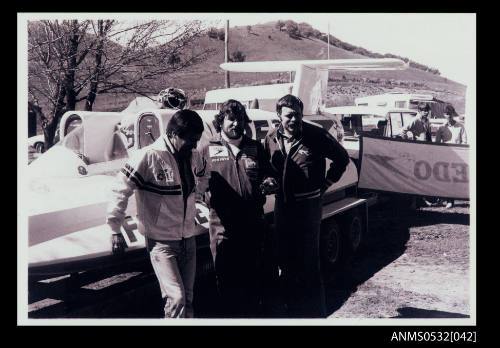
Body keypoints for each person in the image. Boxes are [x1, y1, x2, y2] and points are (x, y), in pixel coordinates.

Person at [105, 109, 206, 318]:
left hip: (188, 238)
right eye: (190, 140)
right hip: (162, 242)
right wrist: (115, 228)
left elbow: (200, 183)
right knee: (175, 298)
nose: (194, 145)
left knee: (187, 297)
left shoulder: (193, 156)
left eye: (197, 140)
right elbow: (119, 189)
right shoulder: (148, 156)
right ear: (173, 134)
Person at [263, 94, 350, 318]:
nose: (294, 120)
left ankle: (315, 315)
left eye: (298, 115)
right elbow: (267, 168)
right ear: (278, 116)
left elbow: (342, 159)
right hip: (283, 206)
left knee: (308, 263)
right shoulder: (271, 137)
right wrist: (268, 180)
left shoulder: (316, 135)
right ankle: (292, 313)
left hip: (308, 207)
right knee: (284, 261)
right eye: (289, 116)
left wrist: (326, 184)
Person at [198, 99, 278, 318]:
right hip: (222, 224)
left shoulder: (255, 147)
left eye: (240, 119)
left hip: (253, 222)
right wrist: (204, 197)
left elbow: (269, 174)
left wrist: (270, 181)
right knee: (226, 276)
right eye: (231, 119)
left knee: (253, 274)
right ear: (221, 121)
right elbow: (197, 182)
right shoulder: (208, 148)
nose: (236, 124)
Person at [435, 105, 468, 208]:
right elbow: (437, 142)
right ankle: (440, 199)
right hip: (444, 156)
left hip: (456, 157)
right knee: (442, 178)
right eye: (446, 114)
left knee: (452, 179)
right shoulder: (441, 128)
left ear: (453, 114)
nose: (448, 116)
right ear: (444, 115)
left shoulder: (460, 126)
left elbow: (464, 141)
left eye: (449, 114)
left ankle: (450, 200)